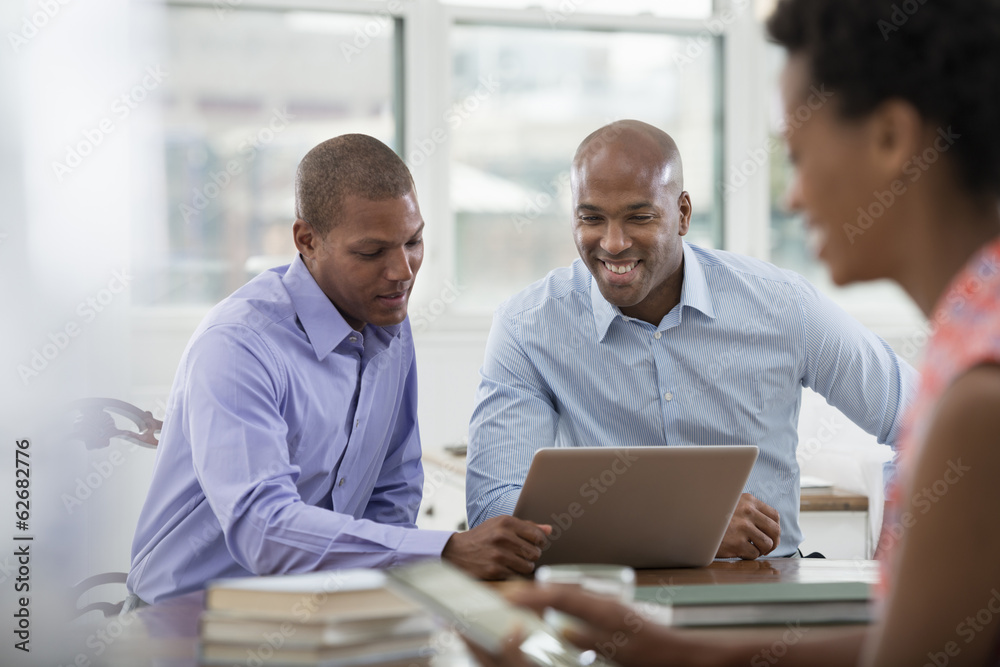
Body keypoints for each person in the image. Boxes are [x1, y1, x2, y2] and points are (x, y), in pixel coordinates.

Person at [471, 0, 1000, 664]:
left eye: (800, 156)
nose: (792, 197)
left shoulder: (977, 391)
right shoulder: (970, 341)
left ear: (892, 140)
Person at [466, 118, 917, 560]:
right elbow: (493, 510)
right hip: (610, 594)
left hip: (763, 594)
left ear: (682, 214)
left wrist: (894, 568)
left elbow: (924, 420)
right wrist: (680, 524)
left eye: (639, 217)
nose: (613, 242)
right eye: (591, 218)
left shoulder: (783, 306)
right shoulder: (528, 326)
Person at [127, 135, 550, 605]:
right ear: (307, 240)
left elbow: (393, 486)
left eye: (414, 242)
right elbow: (263, 529)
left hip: (320, 614)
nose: (402, 271)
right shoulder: (238, 345)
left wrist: (389, 603)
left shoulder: (386, 321)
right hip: (187, 624)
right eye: (372, 253)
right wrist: (444, 552)